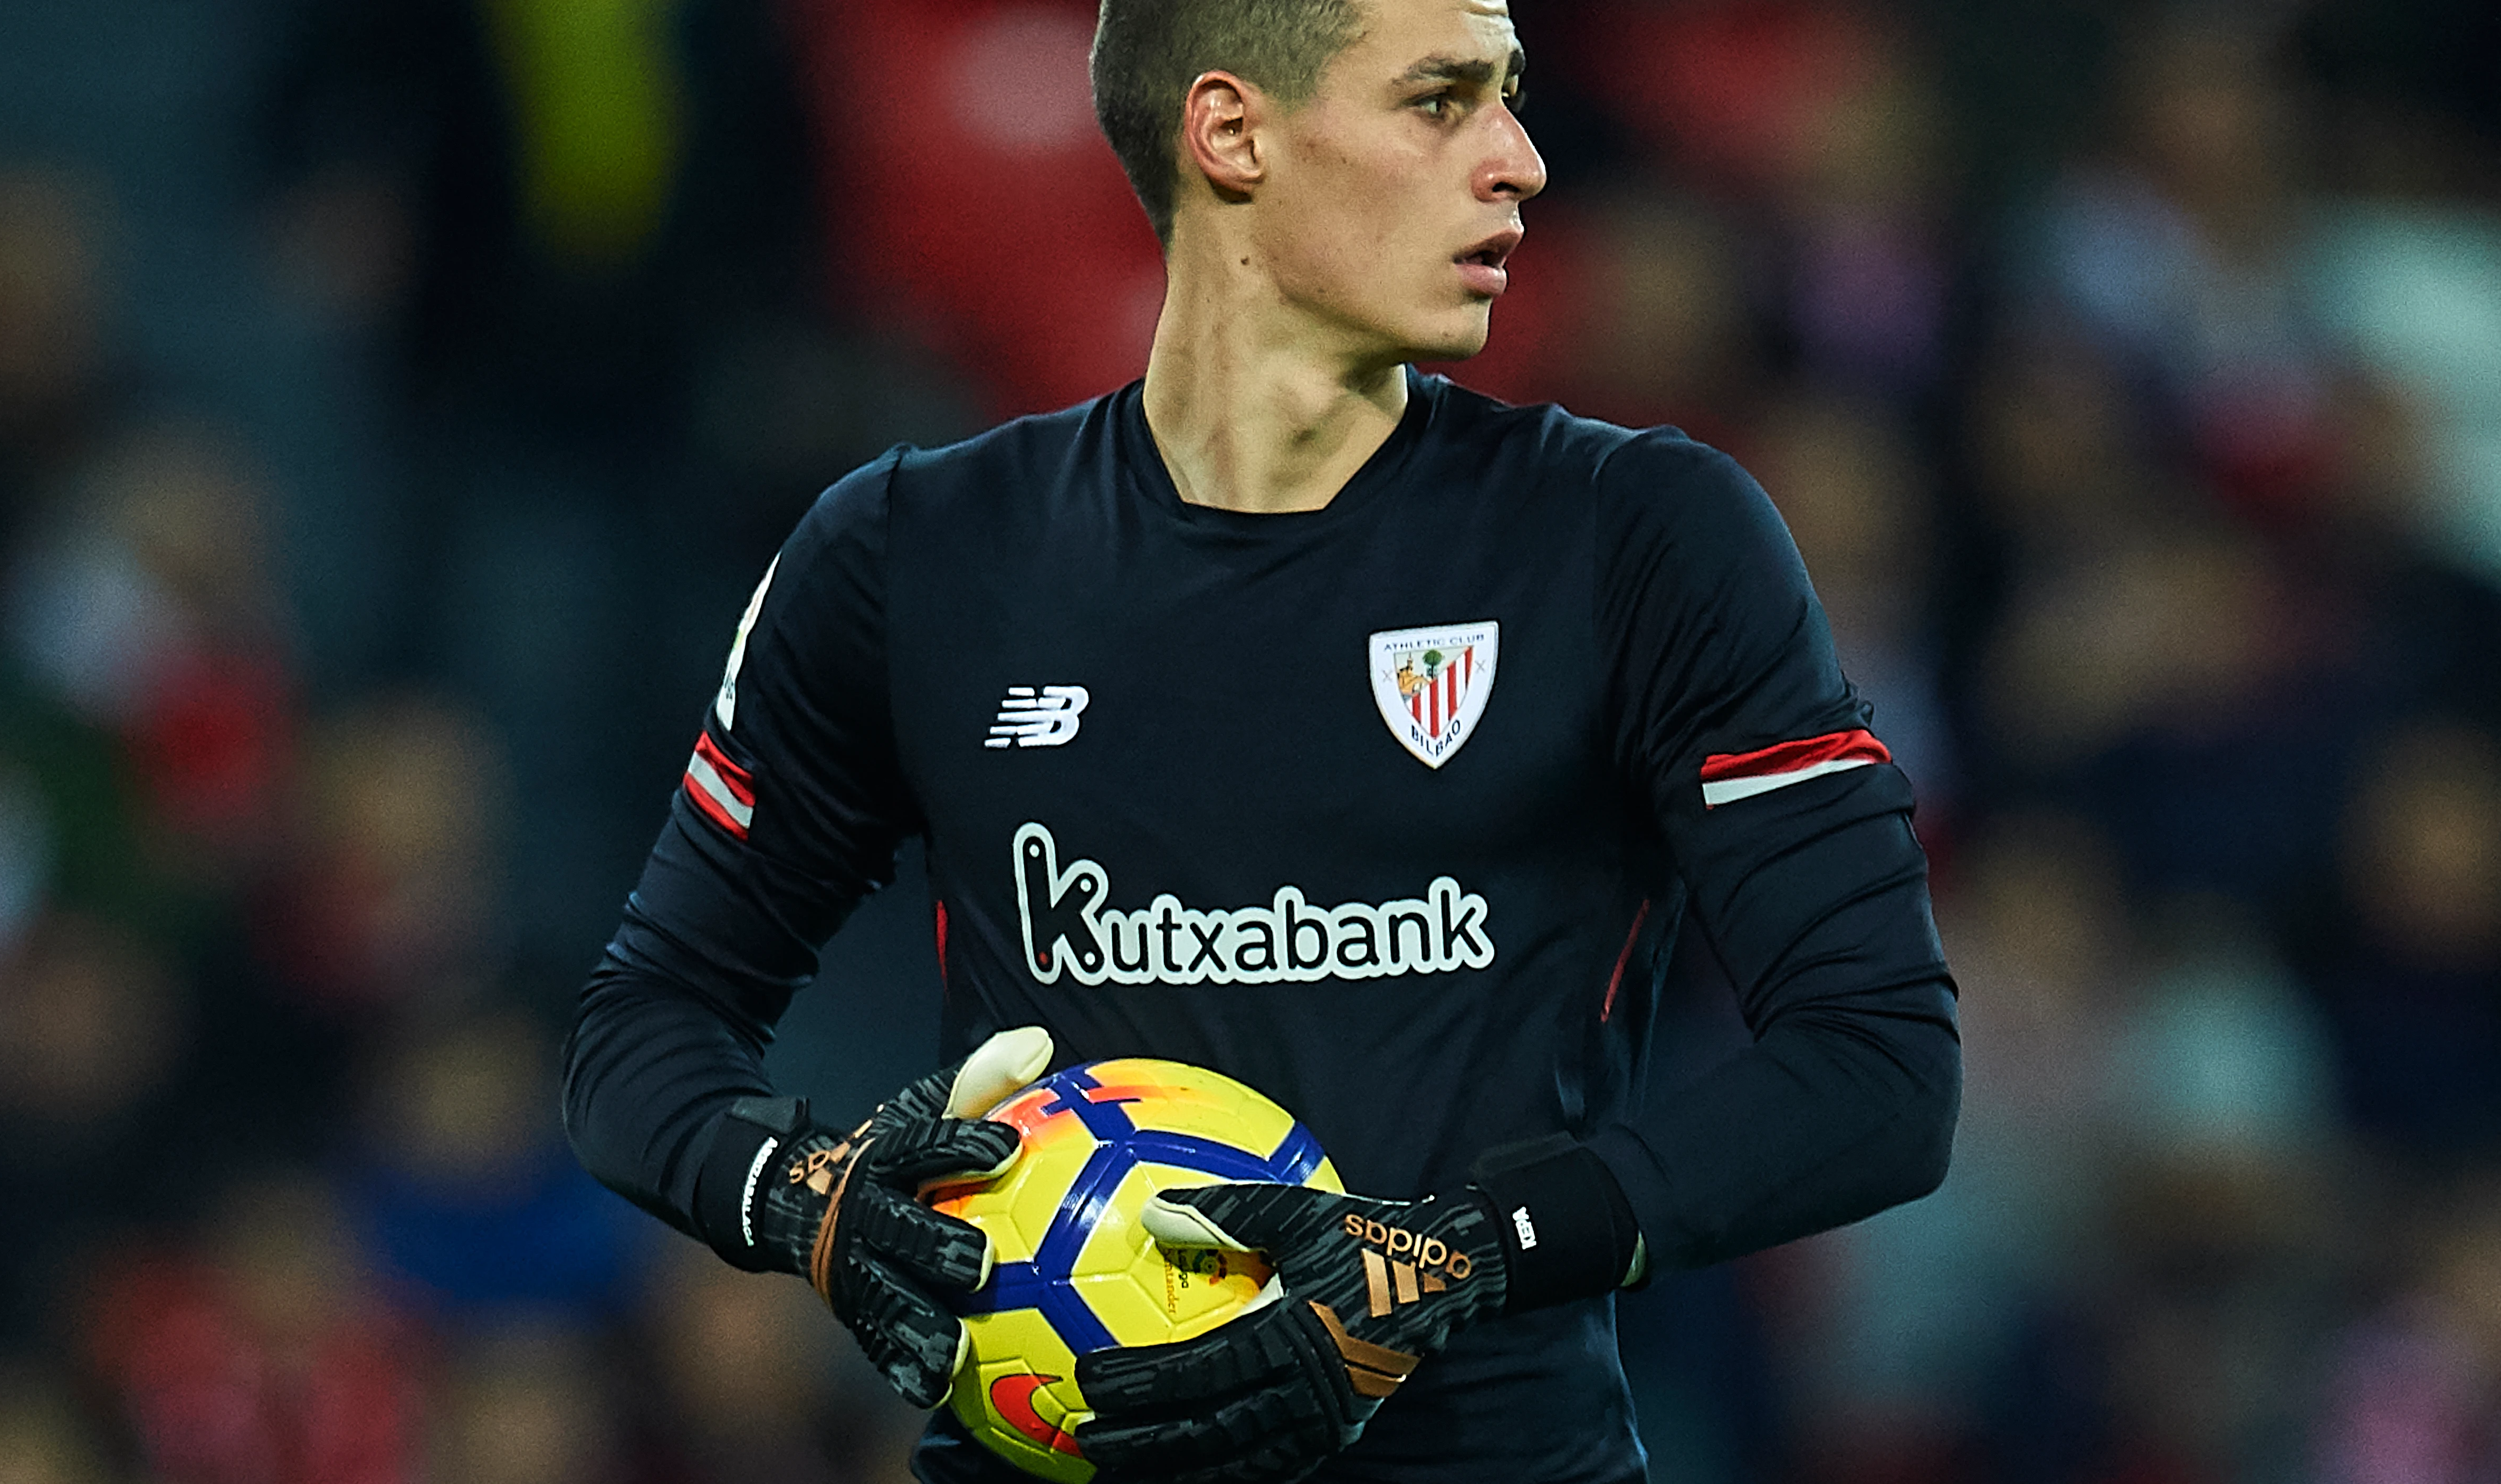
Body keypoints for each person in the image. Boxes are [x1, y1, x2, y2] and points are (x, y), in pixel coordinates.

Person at [561, 0, 1962, 1479]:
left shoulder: (1642, 540)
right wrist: (805, 1196)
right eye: (1441, 102)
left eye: (1514, 96)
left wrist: (1470, 1251)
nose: (1522, 162)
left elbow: (1878, 1064)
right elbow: (638, 1032)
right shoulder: (911, 554)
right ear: (1234, 134)